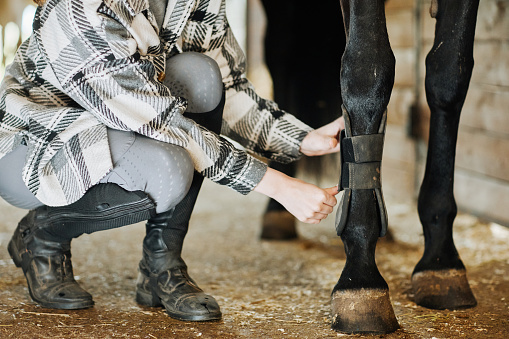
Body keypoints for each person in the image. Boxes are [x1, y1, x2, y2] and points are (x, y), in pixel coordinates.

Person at [0, 0, 344, 321]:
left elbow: (228, 83)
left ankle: (160, 265)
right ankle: (42, 235)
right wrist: (280, 187)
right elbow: (163, 123)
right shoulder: (85, 8)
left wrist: (300, 138)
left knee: (201, 74)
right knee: (169, 171)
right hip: (40, 144)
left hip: (119, 123)